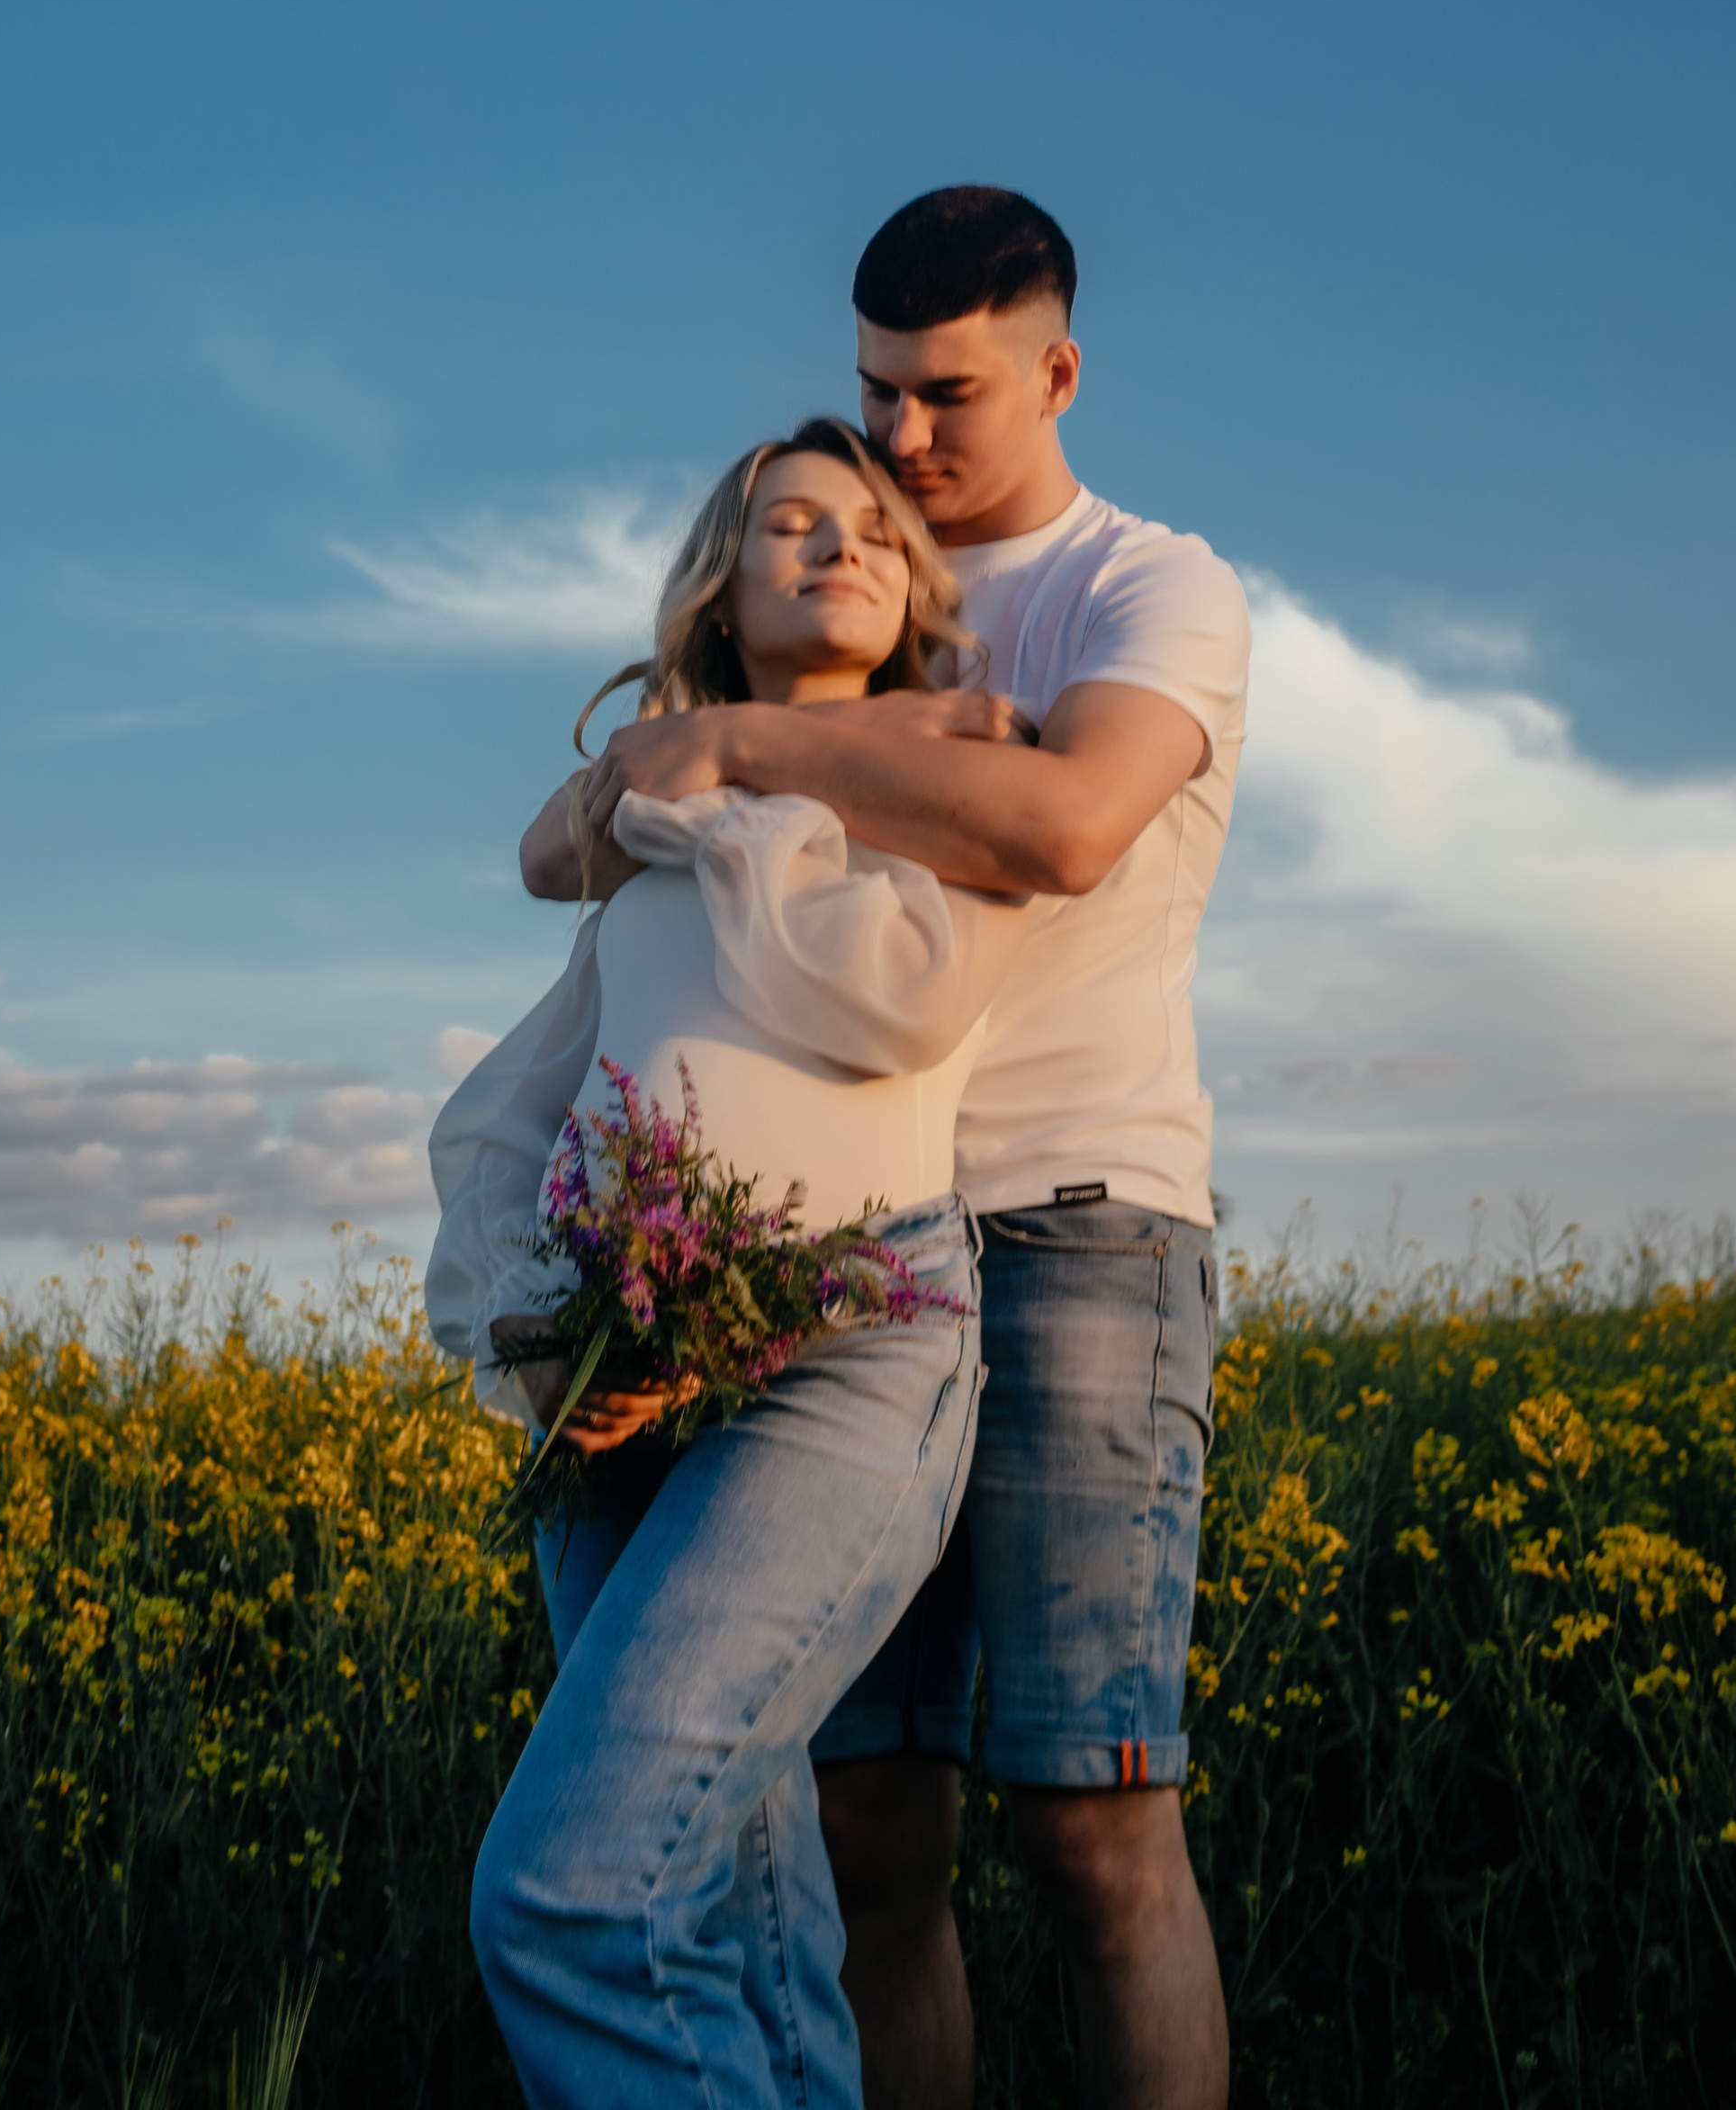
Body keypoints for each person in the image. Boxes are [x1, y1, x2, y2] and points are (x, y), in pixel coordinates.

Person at [554, 186, 1250, 2110]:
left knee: (1093, 1833)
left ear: (1056, 370)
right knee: (864, 1825)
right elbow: (589, 838)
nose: (906, 442)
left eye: (946, 396)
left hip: (1075, 1223)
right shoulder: (861, 580)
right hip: (841, 1255)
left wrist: (746, 749)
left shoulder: (1145, 590)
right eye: (875, 394)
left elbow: (1060, 826)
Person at [428, 419, 1030, 2110]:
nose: (837, 545)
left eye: (874, 531)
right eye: (788, 523)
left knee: (575, 1894)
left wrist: (741, 768)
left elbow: (897, 998)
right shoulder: (645, 827)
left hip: (850, 1336)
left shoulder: (960, 762)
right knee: (728, 1920)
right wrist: (549, 1326)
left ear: (916, 589)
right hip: (620, 1368)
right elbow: (528, 1040)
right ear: (720, 578)